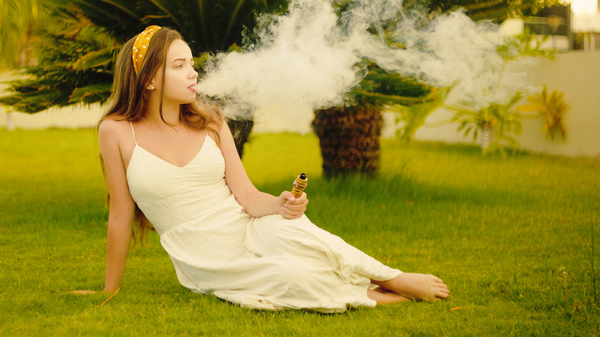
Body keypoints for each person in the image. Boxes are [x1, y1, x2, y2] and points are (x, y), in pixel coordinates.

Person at [84, 26, 449, 312]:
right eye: (179, 66)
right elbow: (120, 215)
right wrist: (110, 289)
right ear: (149, 79)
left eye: (192, 63)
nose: (193, 73)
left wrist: (280, 203)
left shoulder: (211, 123)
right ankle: (382, 295)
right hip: (204, 255)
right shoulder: (115, 131)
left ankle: (393, 277)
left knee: (298, 236)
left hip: (249, 225)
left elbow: (245, 195)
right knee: (287, 275)